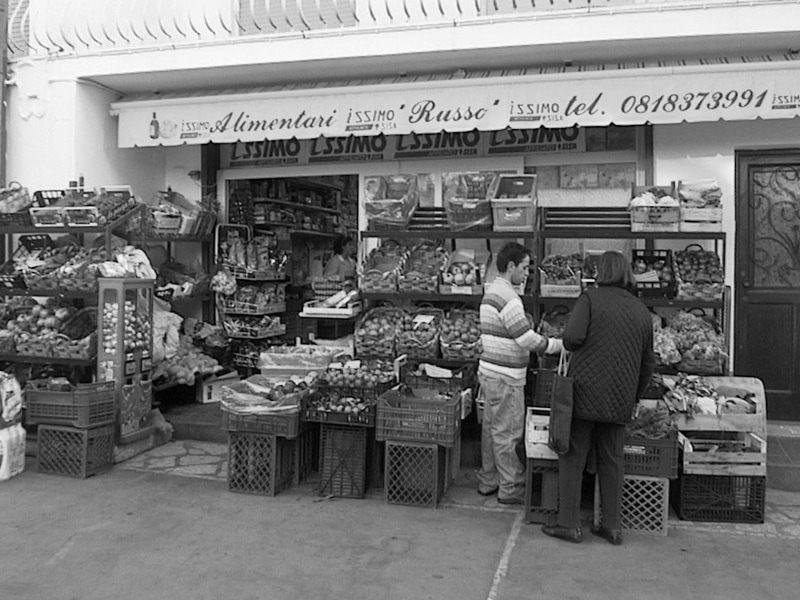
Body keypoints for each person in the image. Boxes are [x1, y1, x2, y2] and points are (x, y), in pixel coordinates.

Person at [541, 251, 655, 545]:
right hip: (620, 397)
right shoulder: (642, 311)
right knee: (612, 460)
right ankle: (613, 527)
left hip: (584, 393)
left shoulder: (590, 299)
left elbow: (572, 339)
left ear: (601, 272)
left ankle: (568, 524)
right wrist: (634, 395)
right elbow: (647, 364)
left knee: (572, 456)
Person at [478, 242, 562, 504]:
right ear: (510, 266)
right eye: (524, 267)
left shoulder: (492, 291)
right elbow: (526, 339)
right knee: (508, 432)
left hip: (490, 372)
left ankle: (488, 480)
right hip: (506, 377)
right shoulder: (509, 298)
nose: (526, 273)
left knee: (491, 428)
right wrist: (557, 345)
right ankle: (510, 488)